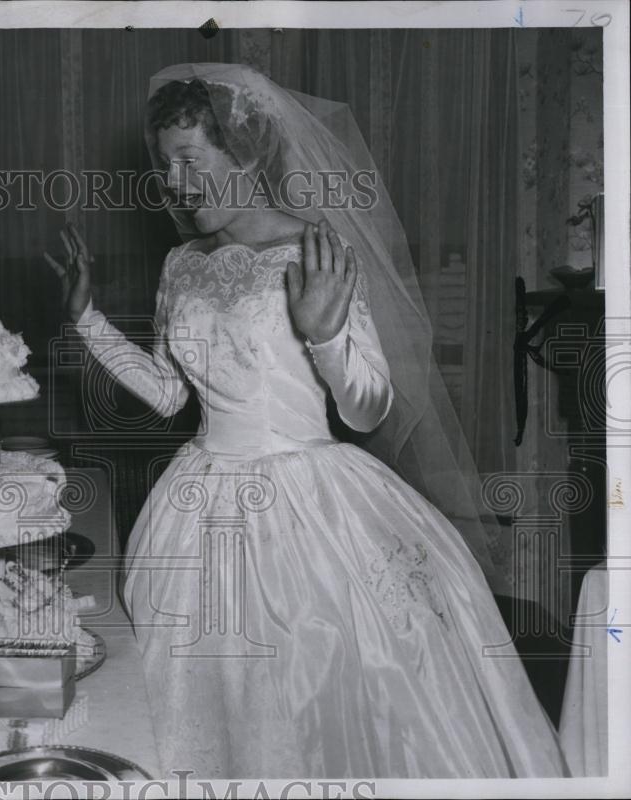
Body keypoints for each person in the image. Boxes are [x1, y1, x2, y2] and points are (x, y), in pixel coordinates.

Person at [44, 63, 569, 779]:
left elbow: (369, 406)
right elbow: (171, 395)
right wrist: (87, 320)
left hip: (313, 501)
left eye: (190, 158)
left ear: (248, 153)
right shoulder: (181, 264)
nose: (173, 181)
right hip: (197, 502)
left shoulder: (317, 249)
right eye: (164, 163)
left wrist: (323, 336)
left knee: (323, 690)